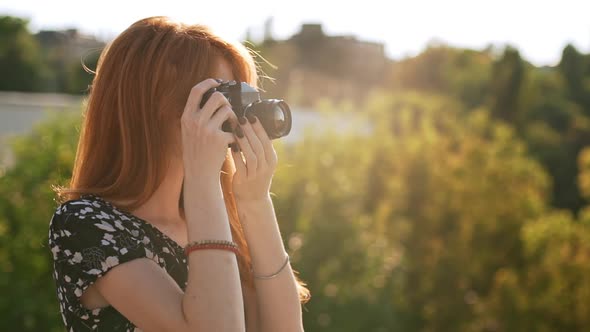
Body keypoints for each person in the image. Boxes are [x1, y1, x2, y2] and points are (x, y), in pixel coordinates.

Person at [48, 16, 310, 332]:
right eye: (216, 97)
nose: (231, 115)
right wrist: (204, 179)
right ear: (149, 99)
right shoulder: (86, 223)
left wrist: (256, 203)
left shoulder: (214, 221)